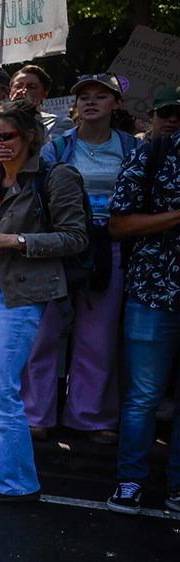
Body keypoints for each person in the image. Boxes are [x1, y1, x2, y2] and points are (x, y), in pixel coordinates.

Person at [0, 99, 88, 502]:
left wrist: (13, 240)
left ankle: (16, 483)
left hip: (16, 292)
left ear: (28, 135)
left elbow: (75, 237)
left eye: (5, 137)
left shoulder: (57, 175)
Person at [28, 74, 138, 444]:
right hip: (61, 246)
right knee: (46, 332)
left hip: (110, 247)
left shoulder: (131, 148)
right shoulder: (57, 148)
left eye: (101, 97)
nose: (91, 103)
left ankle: (91, 416)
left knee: (99, 334)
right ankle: (35, 412)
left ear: (116, 105)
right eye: (84, 97)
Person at [106, 111, 180, 513]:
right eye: (168, 114)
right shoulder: (149, 156)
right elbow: (118, 225)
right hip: (154, 293)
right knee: (144, 396)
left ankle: (178, 488)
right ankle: (130, 481)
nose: (175, 122)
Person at [10, 64, 71, 140]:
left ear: (44, 94)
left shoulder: (58, 123)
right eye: (18, 86)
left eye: (31, 87)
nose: (23, 91)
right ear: (10, 92)